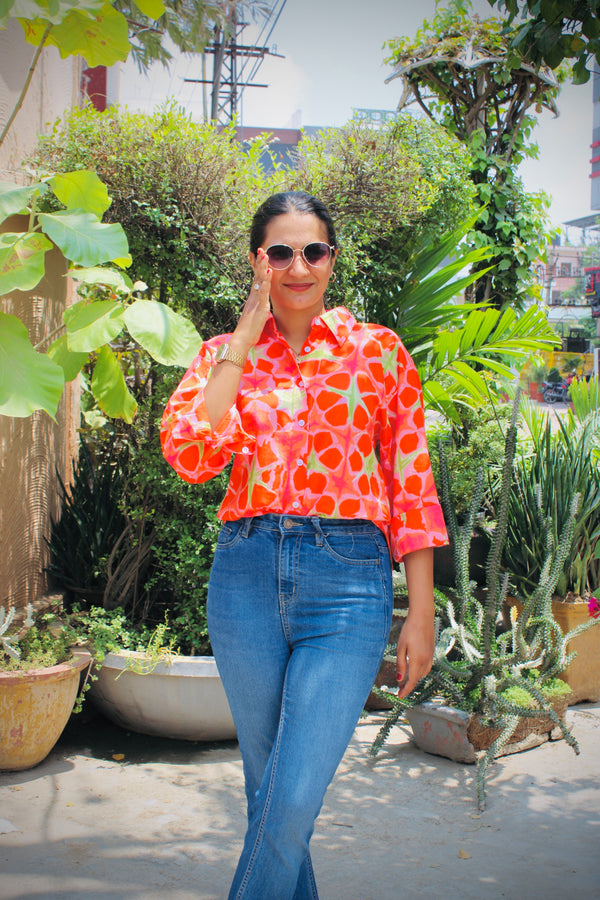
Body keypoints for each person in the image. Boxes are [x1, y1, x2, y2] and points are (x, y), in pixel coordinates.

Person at [160, 191, 448, 899]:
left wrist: (420, 612)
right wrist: (242, 339)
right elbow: (191, 454)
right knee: (270, 794)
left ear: (332, 259)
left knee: (289, 799)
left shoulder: (376, 352)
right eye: (281, 253)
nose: (298, 267)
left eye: (312, 251)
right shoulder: (221, 356)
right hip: (246, 576)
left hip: (348, 583)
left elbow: (412, 484)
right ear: (257, 261)